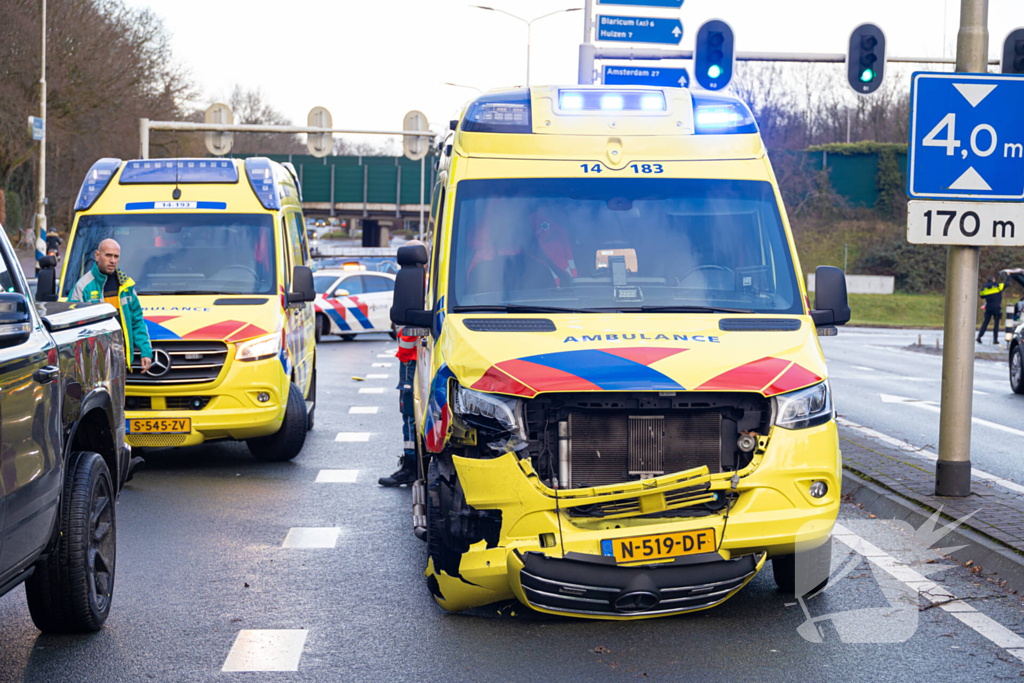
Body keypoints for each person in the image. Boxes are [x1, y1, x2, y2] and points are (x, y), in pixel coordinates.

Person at [70, 238, 153, 373]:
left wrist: (145, 351)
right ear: (97, 256)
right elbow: (72, 329)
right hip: (93, 365)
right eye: (108, 255)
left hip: (121, 362)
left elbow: (137, 322)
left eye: (116, 256)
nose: (113, 260)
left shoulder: (126, 286)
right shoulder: (83, 287)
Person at [379, 329, 419, 487]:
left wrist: (404, 356)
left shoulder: (414, 304)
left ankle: (410, 467)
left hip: (411, 360)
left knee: (410, 415)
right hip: (422, 357)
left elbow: (409, 333)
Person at [978, 272, 1009, 345]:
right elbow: (1007, 283)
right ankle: (995, 340)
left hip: (988, 307)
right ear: (993, 280)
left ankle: (979, 336)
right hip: (996, 308)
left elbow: (981, 296)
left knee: (985, 323)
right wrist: (1008, 275)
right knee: (996, 324)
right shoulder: (997, 286)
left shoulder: (984, 289)